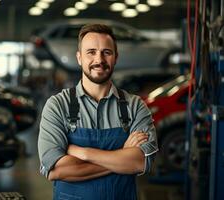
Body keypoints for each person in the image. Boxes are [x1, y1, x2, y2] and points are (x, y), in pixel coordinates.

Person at [38, 24, 158, 200]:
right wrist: (121, 156)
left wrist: (84, 153)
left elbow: (141, 162)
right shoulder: (57, 106)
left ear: (115, 57)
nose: (99, 59)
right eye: (91, 52)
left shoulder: (135, 106)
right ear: (79, 58)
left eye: (106, 52)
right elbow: (56, 170)